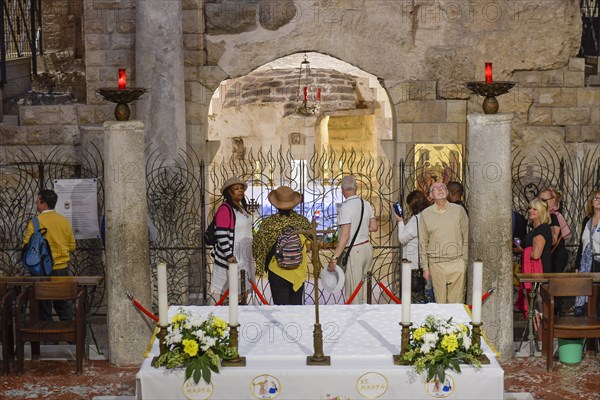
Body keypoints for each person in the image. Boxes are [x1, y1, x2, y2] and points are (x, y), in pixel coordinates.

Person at [22, 189, 76, 321]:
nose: (36, 205)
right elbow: (72, 246)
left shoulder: (35, 222)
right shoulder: (64, 221)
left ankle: (47, 340)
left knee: (43, 307)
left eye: (37, 202)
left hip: (41, 271)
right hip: (61, 269)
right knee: (63, 305)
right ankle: (70, 337)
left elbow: (26, 246)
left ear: (44, 204)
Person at [252, 186, 311, 305]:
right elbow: (310, 247)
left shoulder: (269, 223)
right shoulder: (302, 222)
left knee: (280, 310)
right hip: (298, 271)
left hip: (277, 271)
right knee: (295, 310)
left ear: (276, 204)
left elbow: (258, 246)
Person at [327, 175, 377, 304]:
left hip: (355, 251)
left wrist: (334, 258)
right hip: (367, 248)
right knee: (364, 288)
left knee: (354, 291)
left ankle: (354, 321)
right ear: (356, 188)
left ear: (343, 190)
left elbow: (345, 236)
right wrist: (361, 229)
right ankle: (365, 314)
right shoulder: (366, 204)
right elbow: (374, 227)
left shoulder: (345, 207)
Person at [418, 182, 468, 304]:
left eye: (443, 187)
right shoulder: (425, 214)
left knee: (457, 302)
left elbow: (466, 235)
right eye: (436, 188)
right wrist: (425, 267)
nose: (440, 189)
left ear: (447, 192)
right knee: (440, 303)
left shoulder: (459, 210)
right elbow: (423, 242)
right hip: (436, 263)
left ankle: (457, 324)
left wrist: (464, 261)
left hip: (457, 262)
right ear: (431, 195)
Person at [210, 177, 255, 298]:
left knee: (242, 293)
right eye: (236, 189)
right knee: (230, 294)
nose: (240, 191)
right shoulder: (225, 209)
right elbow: (221, 233)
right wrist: (229, 255)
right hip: (232, 257)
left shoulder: (241, 209)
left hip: (244, 256)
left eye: (241, 188)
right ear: (229, 192)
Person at [394, 190, 433, 303]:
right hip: (428, 260)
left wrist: (400, 221)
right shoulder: (430, 215)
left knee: (416, 299)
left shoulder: (416, 219)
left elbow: (402, 238)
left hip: (416, 264)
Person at [574, 190, 600, 316]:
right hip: (585, 264)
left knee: (595, 299)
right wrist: (577, 265)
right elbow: (581, 244)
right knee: (582, 301)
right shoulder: (586, 220)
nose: (598, 200)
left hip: (598, 264)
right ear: (591, 202)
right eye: (596, 198)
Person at [539, 187, 571, 273]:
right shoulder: (545, 216)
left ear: (554, 200)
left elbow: (553, 240)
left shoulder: (553, 216)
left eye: (544, 200)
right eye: (540, 200)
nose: (541, 203)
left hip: (555, 256)